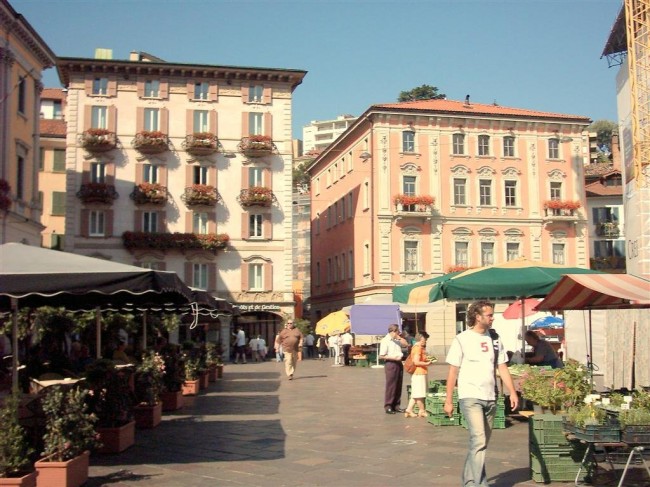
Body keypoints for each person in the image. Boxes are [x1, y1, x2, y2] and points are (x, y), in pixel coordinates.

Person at [444, 300, 519, 487]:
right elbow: (453, 371)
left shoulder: (495, 339)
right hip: (470, 395)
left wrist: (512, 392)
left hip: (490, 396)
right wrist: (448, 400)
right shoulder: (462, 339)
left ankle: (476, 480)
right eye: (489, 315)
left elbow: (502, 367)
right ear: (478, 317)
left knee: (481, 443)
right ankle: (474, 484)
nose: (493, 318)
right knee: (478, 440)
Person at [379, 324, 409, 414]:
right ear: (393, 331)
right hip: (391, 363)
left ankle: (396, 405)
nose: (399, 332)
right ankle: (388, 405)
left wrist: (398, 337)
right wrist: (394, 358)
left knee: (398, 384)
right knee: (391, 385)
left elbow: (406, 344)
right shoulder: (385, 340)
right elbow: (381, 355)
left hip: (399, 363)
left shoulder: (397, 339)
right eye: (397, 331)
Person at [404, 332, 433, 418]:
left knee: (415, 393)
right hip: (418, 373)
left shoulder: (419, 348)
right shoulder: (417, 348)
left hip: (420, 372)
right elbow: (416, 362)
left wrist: (428, 359)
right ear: (421, 339)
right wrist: (427, 363)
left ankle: (409, 410)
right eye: (425, 339)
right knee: (419, 394)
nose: (426, 341)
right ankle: (422, 410)